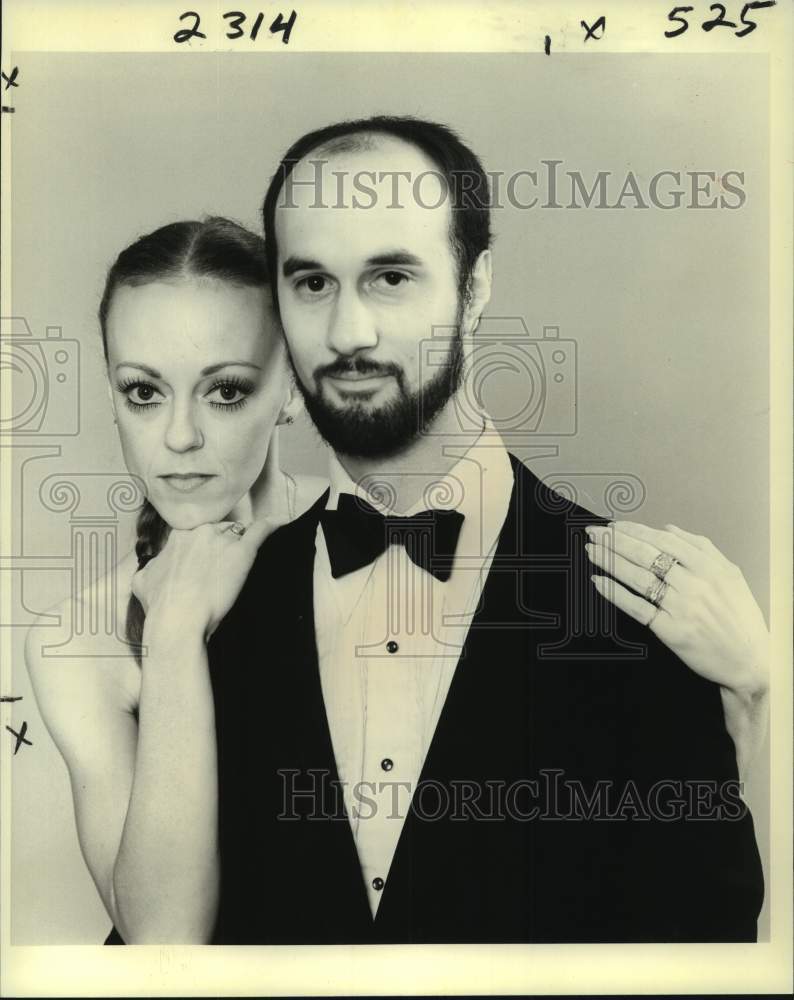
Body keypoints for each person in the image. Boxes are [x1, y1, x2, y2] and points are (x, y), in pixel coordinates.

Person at [202, 115, 767, 943]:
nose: (348, 333)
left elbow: (709, 946)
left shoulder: (646, 609)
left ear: (476, 287)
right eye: (312, 282)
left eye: (392, 277)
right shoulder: (216, 608)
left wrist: (761, 697)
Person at [25, 217, 325, 944]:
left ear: (290, 389)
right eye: (143, 393)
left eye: (225, 391)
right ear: (111, 395)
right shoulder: (79, 639)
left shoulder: (383, 545)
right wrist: (175, 629)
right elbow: (163, 944)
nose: (180, 436)